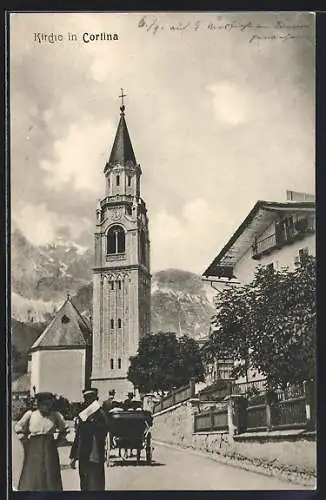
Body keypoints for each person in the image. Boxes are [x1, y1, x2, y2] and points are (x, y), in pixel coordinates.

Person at [14, 391, 67, 491]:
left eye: (49, 404)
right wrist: (24, 440)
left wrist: (59, 441)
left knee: (50, 472)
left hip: (49, 446)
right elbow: (18, 426)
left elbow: (64, 429)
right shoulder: (31, 414)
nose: (48, 407)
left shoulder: (55, 415)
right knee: (34, 472)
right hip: (34, 446)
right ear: (39, 404)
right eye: (45, 404)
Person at [69, 388, 109, 491]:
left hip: (95, 453)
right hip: (84, 454)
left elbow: (106, 427)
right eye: (87, 399)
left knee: (97, 483)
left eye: (91, 399)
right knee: (84, 482)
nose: (88, 402)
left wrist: (93, 422)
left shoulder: (101, 413)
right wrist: (73, 456)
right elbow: (78, 435)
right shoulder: (83, 415)